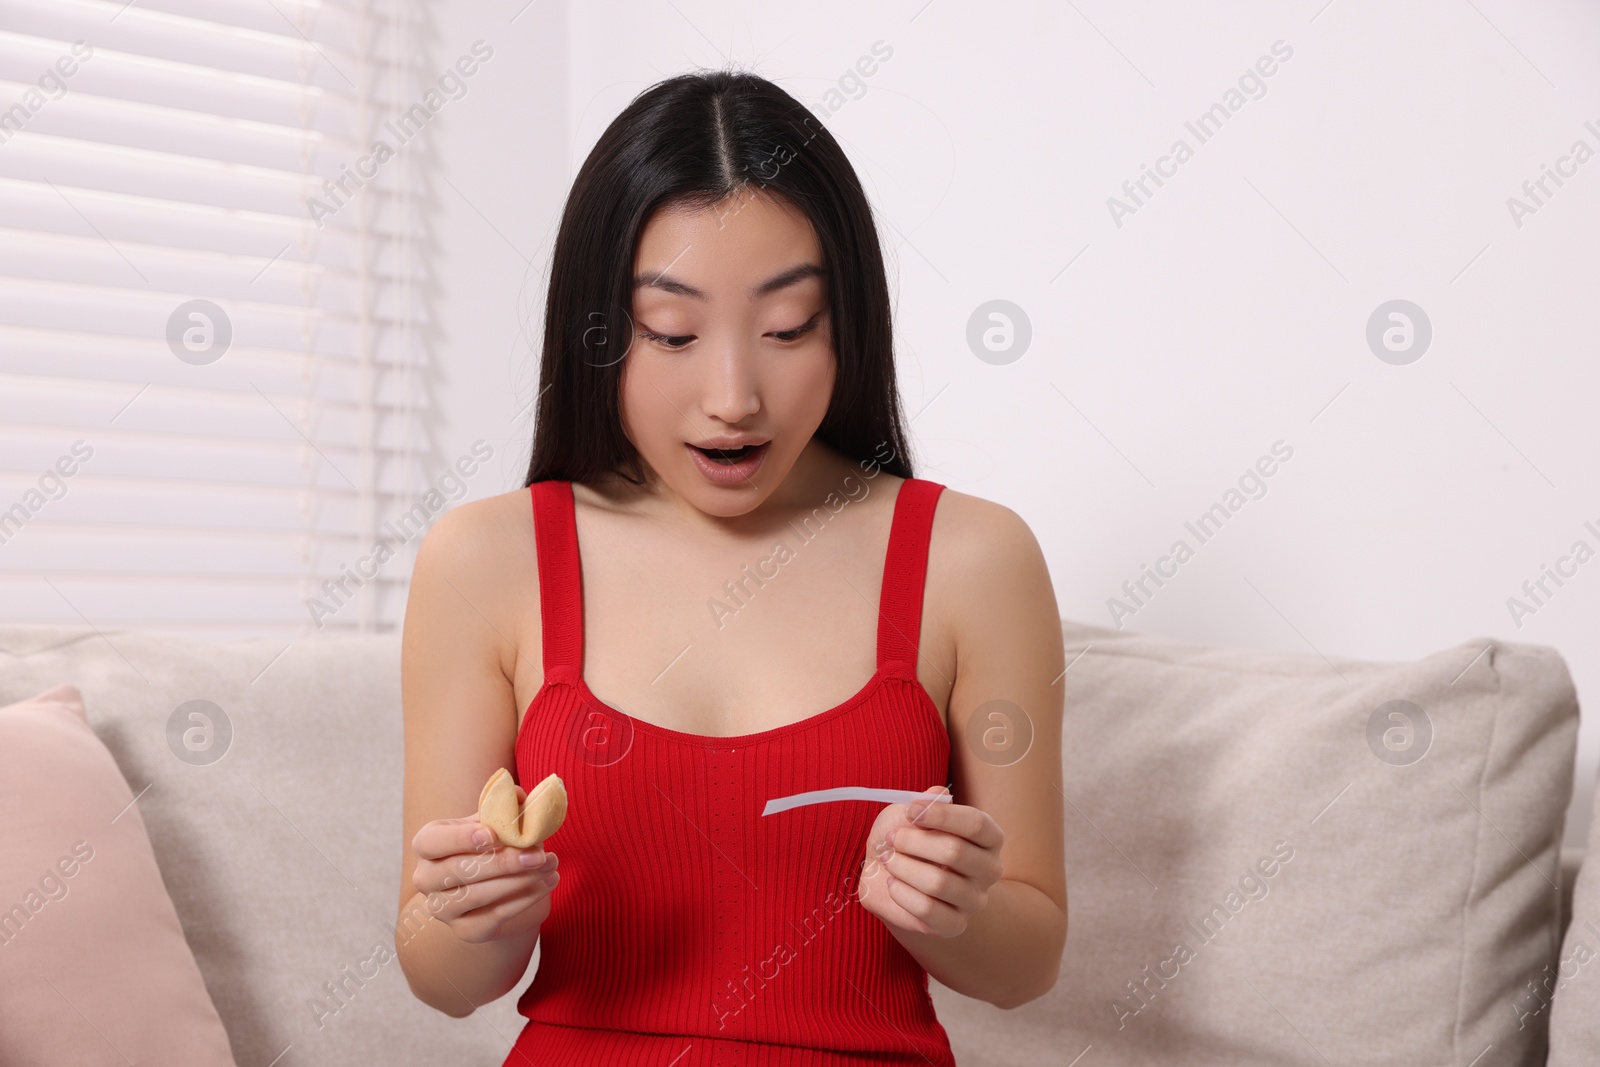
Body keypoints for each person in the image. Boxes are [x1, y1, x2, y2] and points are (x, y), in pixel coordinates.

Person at [396, 68, 1066, 1065]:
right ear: (597, 332)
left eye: (787, 328)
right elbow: (441, 977)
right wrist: (479, 917)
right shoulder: (485, 558)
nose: (733, 396)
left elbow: (1026, 961)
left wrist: (950, 910)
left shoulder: (974, 558)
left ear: (848, 325)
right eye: (670, 332)